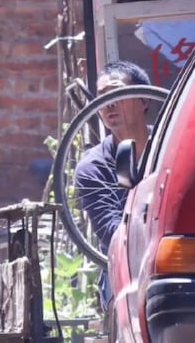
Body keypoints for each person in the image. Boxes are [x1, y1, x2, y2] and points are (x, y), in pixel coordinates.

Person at [74, 60, 151, 313]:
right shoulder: (92, 168)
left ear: (143, 100)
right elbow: (112, 232)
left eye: (117, 93)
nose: (108, 104)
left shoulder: (174, 147)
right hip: (125, 272)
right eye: (102, 98)